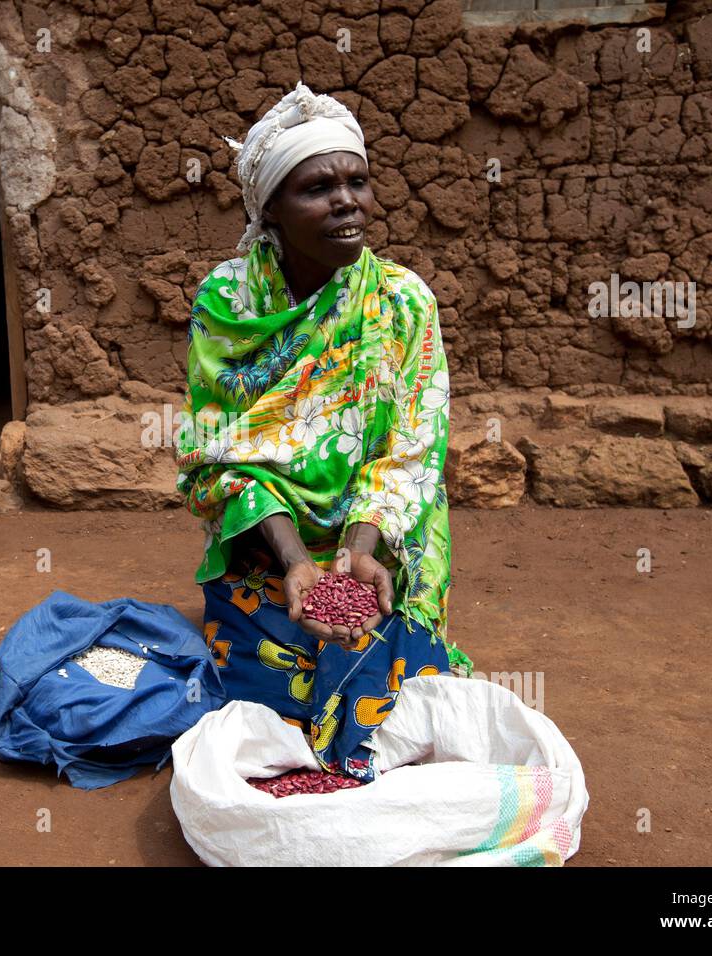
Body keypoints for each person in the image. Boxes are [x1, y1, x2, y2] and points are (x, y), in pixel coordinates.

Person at [175, 81, 473, 781]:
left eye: (358, 182)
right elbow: (217, 461)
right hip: (269, 549)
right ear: (270, 207)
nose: (347, 201)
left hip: (382, 543)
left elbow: (413, 451)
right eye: (318, 187)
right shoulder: (230, 303)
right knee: (275, 702)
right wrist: (298, 567)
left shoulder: (402, 303)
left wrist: (357, 555)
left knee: (399, 700)